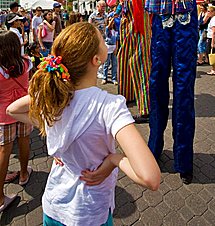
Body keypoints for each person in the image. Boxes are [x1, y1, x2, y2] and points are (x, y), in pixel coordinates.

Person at [7, 22, 160, 226]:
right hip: (89, 213)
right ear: (97, 60)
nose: (107, 43)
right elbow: (150, 177)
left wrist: (44, 93)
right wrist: (115, 159)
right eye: (103, 40)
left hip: (53, 206)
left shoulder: (56, 102)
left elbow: (12, 110)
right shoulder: (109, 105)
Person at [135, 0, 206, 184]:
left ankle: (183, 160)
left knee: (184, 83)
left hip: (185, 15)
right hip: (160, 15)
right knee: (157, 80)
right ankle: (154, 148)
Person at [90, 0, 151, 122]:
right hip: (128, 14)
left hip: (138, 10)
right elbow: (121, 4)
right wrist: (114, 13)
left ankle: (146, 107)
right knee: (123, 54)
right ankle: (127, 96)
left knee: (139, 57)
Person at [0, 31, 33, 213]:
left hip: (4, 113)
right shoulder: (26, 63)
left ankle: (0, 197)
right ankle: (23, 173)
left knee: (4, 150)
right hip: (24, 109)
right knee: (25, 140)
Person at [102, 16, 118, 85]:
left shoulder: (116, 30)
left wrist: (116, 48)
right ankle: (104, 78)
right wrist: (113, 18)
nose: (112, 22)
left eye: (113, 21)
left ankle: (114, 78)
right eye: (110, 20)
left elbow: (117, 40)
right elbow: (108, 26)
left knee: (114, 64)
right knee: (106, 64)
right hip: (108, 48)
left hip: (114, 47)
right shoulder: (107, 29)